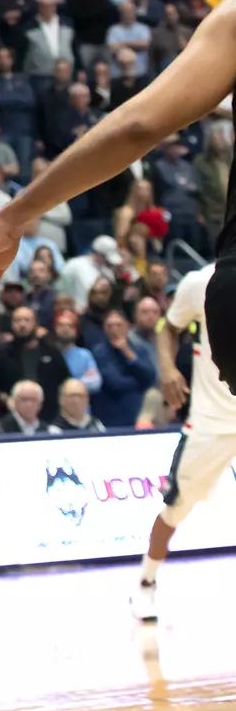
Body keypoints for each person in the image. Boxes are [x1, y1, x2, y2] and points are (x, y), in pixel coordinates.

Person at [131, 262, 236, 621]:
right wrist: (167, 368)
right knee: (177, 507)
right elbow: (168, 327)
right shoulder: (200, 281)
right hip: (213, 419)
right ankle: (146, 583)